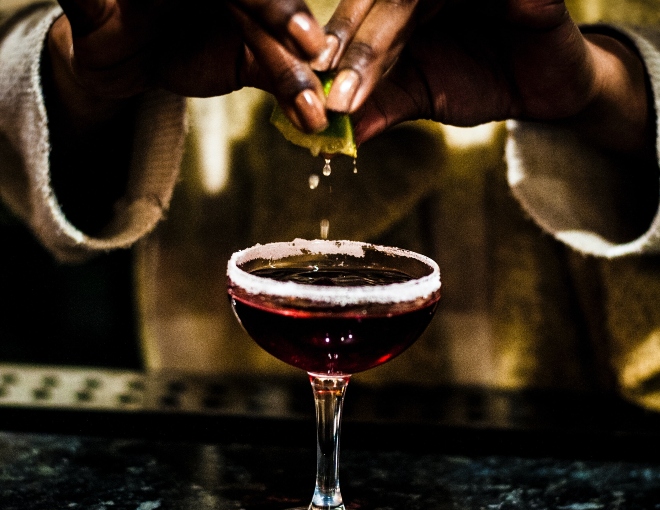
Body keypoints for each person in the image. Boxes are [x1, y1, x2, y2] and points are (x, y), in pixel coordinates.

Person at [0, 0, 659, 411]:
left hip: (574, 430)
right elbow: (24, 34)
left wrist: (606, 87)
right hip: (219, 412)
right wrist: (79, 71)